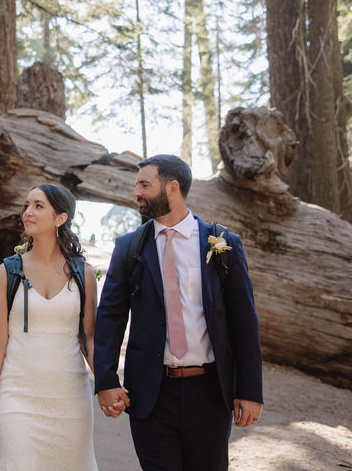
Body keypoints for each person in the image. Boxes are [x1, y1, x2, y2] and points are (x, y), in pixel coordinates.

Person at [94, 154, 263, 470]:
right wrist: (105, 381)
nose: (137, 193)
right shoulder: (129, 248)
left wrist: (250, 391)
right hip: (151, 395)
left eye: (145, 184)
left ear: (172, 187)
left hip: (210, 393)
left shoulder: (224, 244)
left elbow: (245, 321)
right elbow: (110, 317)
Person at [0, 183, 99, 470]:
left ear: (60, 218)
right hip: (17, 399)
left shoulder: (84, 274)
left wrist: (109, 387)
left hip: (71, 402)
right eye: (27, 205)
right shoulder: (6, 273)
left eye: (38, 206)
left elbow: (89, 340)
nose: (27, 213)